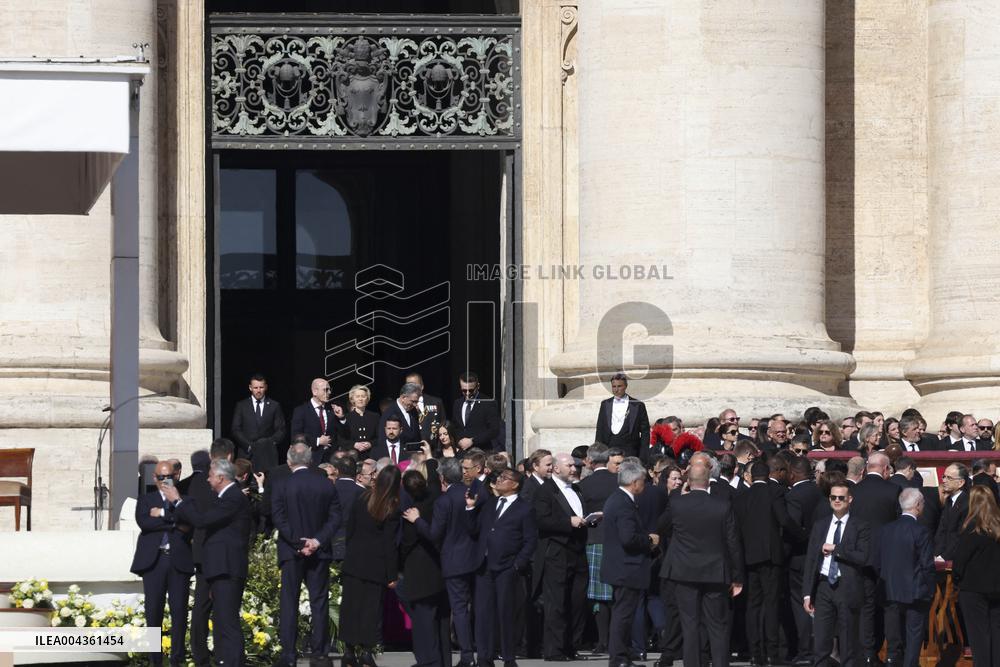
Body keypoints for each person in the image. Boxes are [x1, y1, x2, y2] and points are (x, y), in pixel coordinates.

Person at [164, 458, 252, 667]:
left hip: (227, 568)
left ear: (221, 478)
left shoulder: (233, 497)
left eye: (211, 476)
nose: (208, 480)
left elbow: (202, 521)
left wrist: (178, 501)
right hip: (219, 569)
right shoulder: (225, 497)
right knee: (221, 620)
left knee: (227, 622)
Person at [658, 463, 744, 667]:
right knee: (717, 625)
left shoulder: (678, 503)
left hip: (684, 571)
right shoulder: (722, 505)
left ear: (688, 481)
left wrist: (680, 495)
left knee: (689, 624)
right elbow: (733, 543)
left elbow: (661, 526)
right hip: (715, 572)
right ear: (709, 482)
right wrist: (737, 577)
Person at [271, 442, 343, 667]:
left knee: (289, 602)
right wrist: (316, 541)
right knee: (319, 601)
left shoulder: (282, 484)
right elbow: (335, 517)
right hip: (318, 550)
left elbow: (278, 517)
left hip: (291, 551)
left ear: (289, 461)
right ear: (311, 461)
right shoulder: (325, 484)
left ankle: (288, 655)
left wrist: (297, 541)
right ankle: (320, 654)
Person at [404, 457, 479, 667]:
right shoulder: (472, 494)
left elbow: (434, 534)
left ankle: (467, 656)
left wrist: (417, 520)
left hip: (453, 562)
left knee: (459, 610)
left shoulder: (444, 501)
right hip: (474, 559)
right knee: (474, 609)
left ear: (443, 478)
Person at [736, 461, 803, 666]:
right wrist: (802, 535)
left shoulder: (742, 497)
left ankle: (755, 654)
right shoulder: (774, 493)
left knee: (753, 606)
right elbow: (784, 520)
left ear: (751, 477)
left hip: (749, 557)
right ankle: (772, 654)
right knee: (772, 605)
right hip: (771, 556)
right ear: (767, 475)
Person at [469, 468, 538, 667]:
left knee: (506, 613)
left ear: (515, 484)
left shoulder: (524, 508)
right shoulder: (490, 503)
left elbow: (530, 540)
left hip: (507, 567)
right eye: (499, 477)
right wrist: (470, 509)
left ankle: (508, 657)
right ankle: (484, 656)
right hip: (484, 566)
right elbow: (475, 529)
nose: (499, 480)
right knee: (483, 613)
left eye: (504, 478)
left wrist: (518, 564)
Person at [130, 461, 194, 667]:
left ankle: (177, 659)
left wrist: (163, 514)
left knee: (179, 611)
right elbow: (145, 523)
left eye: (168, 477)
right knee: (153, 612)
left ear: (175, 477)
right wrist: (174, 522)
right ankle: (155, 660)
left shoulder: (185, 499)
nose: (164, 481)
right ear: (154, 478)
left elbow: (189, 524)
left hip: (178, 561)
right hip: (154, 561)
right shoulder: (146, 499)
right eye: (160, 477)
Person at [802, 483, 870, 667]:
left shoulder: (860, 526)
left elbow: (862, 556)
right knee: (821, 640)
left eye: (841, 497)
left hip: (847, 586)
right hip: (824, 586)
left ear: (850, 499)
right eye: (833, 497)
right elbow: (811, 560)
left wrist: (836, 549)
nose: (837, 501)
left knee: (848, 642)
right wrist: (807, 594)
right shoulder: (820, 525)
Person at [340, 465, 401, 667]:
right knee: (371, 609)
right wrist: (392, 574)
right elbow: (389, 543)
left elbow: (350, 528)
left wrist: (350, 552)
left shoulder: (362, 498)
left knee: (350, 606)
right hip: (376, 565)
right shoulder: (391, 506)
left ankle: (349, 651)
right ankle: (366, 652)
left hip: (354, 560)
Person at [602, 459, 659, 667]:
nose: (644, 484)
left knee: (623, 614)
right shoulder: (622, 503)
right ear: (634, 482)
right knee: (623, 615)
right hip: (626, 568)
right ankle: (618, 658)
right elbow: (628, 538)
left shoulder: (619, 499)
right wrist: (649, 540)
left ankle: (621, 655)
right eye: (643, 481)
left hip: (622, 567)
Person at [533, 452, 590, 661]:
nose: (574, 469)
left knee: (577, 601)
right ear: (556, 468)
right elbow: (541, 521)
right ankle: (554, 650)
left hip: (578, 550)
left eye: (574, 466)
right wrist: (568, 522)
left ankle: (571, 646)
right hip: (557, 552)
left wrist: (590, 520)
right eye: (569, 466)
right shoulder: (545, 491)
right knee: (556, 602)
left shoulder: (576, 489)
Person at [849, 452, 900, 664]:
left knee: (867, 605)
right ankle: (893, 654)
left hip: (861, 556)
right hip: (887, 556)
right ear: (886, 469)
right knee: (890, 605)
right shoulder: (894, 490)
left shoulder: (854, 491)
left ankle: (868, 653)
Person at [186, 439, 234, 667]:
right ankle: (221, 654)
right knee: (221, 606)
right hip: (219, 551)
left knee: (202, 605)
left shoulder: (196, 482)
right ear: (230, 456)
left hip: (201, 550)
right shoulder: (221, 481)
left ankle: (200, 654)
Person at [399, 470, 451, 667]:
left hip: (420, 571)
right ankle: (442, 660)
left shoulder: (412, 513)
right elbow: (435, 483)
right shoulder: (437, 501)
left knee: (423, 620)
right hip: (440, 569)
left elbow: (407, 543)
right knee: (441, 619)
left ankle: (429, 661)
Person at [879, 488, 934, 667]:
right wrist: (931, 589)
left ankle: (893, 662)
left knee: (894, 636)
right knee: (913, 635)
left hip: (890, 590)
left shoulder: (886, 529)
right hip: (915, 591)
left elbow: (879, 560)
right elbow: (927, 565)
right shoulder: (921, 531)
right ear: (917, 505)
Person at [952, 485, 1000, 667]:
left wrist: (957, 580)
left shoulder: (971, 528)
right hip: (996, 588)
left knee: (978, 636)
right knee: (996, 633)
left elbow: (960, 560)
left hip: (973, 590)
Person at [580, 443, 619, 654]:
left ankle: (602, 640)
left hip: (594, 539)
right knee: (615, 593)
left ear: (590, 461)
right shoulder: (618, 481)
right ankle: (615, 640)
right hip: (617, 541)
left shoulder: (584, 484)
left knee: (598, 594)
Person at [784, 455, 821, 665]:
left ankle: (805, 649)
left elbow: (793, 527)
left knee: (801, 604)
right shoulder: (819, 491)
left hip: (799, 556)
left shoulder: (794, 496)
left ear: (793, 474)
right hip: (819, 554)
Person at [230, 373, 287, 472]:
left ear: (266, 387)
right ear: (250, 388)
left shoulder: (274, 405)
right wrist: (249, 446)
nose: (258, 390)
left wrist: (269, 443)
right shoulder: (241, 406)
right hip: (247, 454)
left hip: (267, 455)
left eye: (261, 387)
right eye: (255, 388)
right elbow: (235, 429)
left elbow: (281, 430)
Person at [594, 372, 651, 459]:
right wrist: (598, 453)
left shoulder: (638, 405)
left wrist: (643, 455)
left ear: (625, 386)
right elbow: (600, 429)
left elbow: (645, 432)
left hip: (630, 451)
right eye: (614, 386)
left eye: (619, 386)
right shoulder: (605, 404)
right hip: (608, 449)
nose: (616, 389)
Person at [290, 378, 342, 464]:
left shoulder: (332, 410)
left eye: (329, 389)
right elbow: (296, 436)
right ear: (315, 392)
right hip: (311, 458)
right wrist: (317, 441)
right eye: (325, 390)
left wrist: (342, 418)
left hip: (330, 460)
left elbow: (340, 434)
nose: (329, 392)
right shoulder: (301, 411)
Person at [453, 371, 502, 452]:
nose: (467, 393)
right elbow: (456, 427)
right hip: (462, 452)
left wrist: (473, 440)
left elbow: (494, 430)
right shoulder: (457, 403)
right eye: (464, 390)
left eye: (471, 390)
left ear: (478, 386)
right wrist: (458, 441)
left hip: (481, 451)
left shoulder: (488, 403)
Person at [935, 462, 970, 560]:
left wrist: (943, 557)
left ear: (961, 482)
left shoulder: (967, 504)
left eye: (949, 478)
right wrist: (937, 553)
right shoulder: (949, 501)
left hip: (955, 559)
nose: (944, 481)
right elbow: (942, 531)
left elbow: (960, 536)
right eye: (944, 477)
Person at [336, 384, 380, 457]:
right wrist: (354, 444)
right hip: (352, 456)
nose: (360, 399)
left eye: (363, 396)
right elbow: (340, 439)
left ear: (367, 398)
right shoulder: (346, 417)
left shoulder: (375, 417)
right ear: (352, 399)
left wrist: (370, 444)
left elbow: (380, 437)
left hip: (371, 455)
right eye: (357, 396)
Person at [380, 382, 425, 448]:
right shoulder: (389, 413)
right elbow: (383, 439)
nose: (415, 405)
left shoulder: (413, 411)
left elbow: (416, 435)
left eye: (416, 402)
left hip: (415, 452)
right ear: (403, 397)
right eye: (413, 401)